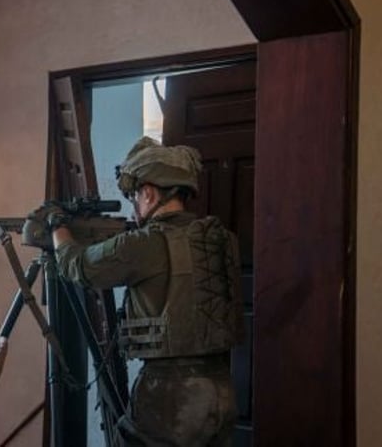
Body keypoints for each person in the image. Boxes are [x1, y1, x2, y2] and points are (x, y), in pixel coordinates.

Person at [34, 136, 245, 446]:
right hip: (221, 388)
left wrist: (57, 226)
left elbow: (78, 266)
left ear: (148, 193)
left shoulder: (145, 244)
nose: (134, 206)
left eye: (134, 196)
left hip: (171, 394)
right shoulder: (221, 239)